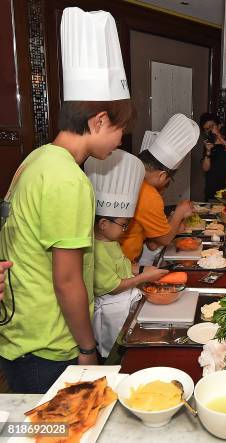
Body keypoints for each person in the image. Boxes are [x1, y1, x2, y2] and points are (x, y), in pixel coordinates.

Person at [0, 7, 135, 393]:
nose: (120, 141)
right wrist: (87, 348)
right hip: (49, 343)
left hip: (19, 334)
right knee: (59, 432)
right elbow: (68, 279)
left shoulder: (37, 159)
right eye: (120, 130)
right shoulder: (70, 179)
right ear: (99, 121)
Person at [85, 149, 169, 357]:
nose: (125, 231)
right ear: (103, 223)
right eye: (123, 225)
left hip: (126, 303)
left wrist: (142, 268)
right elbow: (113, 287)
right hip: (113, 311)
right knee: (118, 353)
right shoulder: (96, 251)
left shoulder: (111, 241)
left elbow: (122, 267)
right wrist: (143, 277)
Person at [120, 114, 199, 263]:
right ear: (162, 176)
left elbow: (152, 240)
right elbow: (164, 239)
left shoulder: (129, 174)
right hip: (123, 264)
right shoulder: (148, 193)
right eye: (168, 180)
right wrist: (180, 212)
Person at [200, 113, 226, 201]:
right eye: (206, 129)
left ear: (219, 126)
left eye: (212, 127)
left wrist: (224, 142)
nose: (210, 130)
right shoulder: (208, 145)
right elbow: (205, 168)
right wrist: (208, 151)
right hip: (213, 192)